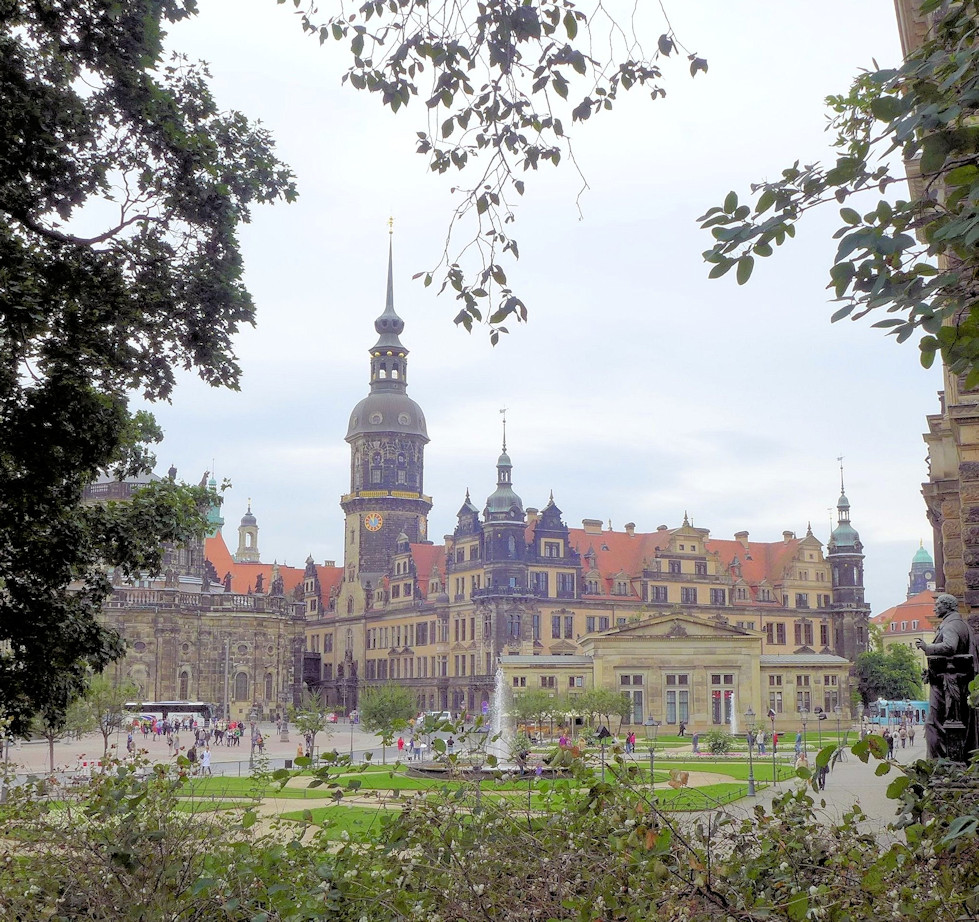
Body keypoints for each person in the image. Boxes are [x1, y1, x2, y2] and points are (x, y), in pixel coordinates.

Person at [916, 592, 979, 760]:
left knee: (933, 724)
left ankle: (940, 761)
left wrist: (927, 648)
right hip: (954, 680)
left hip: (947, 683)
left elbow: (950, 647)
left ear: (948, 606)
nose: (935, 608)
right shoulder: (961, 624)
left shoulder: (951, 625)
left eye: (938, 605)